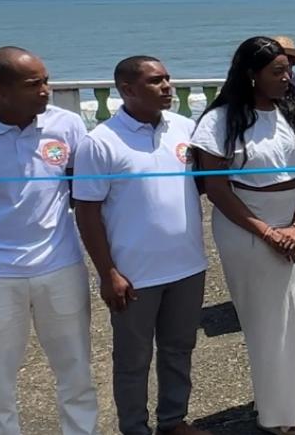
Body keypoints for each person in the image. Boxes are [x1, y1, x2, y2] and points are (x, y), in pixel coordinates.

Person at [190, 36, 295, 435]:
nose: (287, 78)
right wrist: (268, 232)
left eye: (288, 70)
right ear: (251, 75)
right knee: (270, 320)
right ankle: (280, 414)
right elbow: (216, 188)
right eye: (277, 71)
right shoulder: (220, 120)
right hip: (246, 222)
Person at [74, 57, 209, 435]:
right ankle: (134, 427)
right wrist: (107, 272)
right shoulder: (100, 141)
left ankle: (172, 420)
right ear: (127, 90)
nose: (167, 86)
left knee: (179, 349)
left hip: (188, 265)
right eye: (155, 81)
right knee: (133, 359)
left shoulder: (185, 128)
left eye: (168, 78)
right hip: (134, 274)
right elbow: (87, 211)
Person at [0, 46, 99, 435]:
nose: (46, 90)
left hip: (60, 266)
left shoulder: (68, 124)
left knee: (76, 368)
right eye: (34, 84)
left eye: (46, 80)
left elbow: (82, 193)